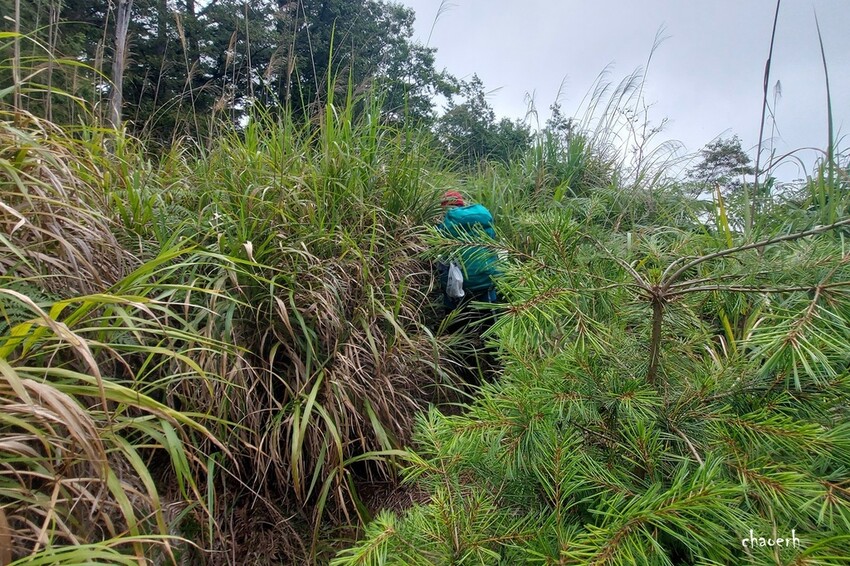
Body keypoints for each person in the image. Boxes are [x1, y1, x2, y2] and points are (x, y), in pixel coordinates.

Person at [436, 190, 500, 321]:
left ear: (444, 207)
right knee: (491, 326)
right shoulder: (483, 220)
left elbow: (436, 250)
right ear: (462, 204)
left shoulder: (445, 225)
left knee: (456, 322)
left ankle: (458, 337)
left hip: (458, 286)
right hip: (487, 279)